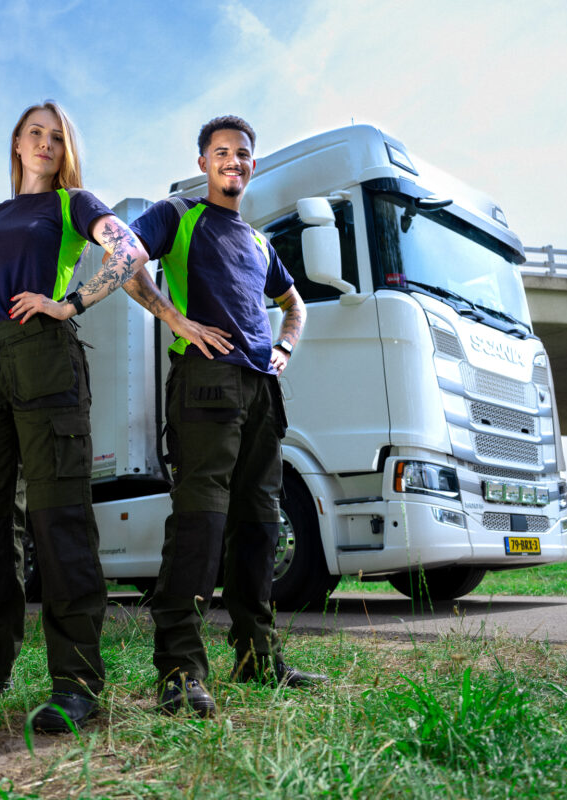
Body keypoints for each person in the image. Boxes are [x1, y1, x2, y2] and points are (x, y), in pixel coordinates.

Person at [0, 101, 228, 732]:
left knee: (59, 524)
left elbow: (129, 251)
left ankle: (78, 684)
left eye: (57, 137)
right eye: (36, 133)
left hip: (45, 364)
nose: (46, 143)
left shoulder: (72, 203)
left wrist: (69, 302)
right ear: (16, 142)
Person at [130, 115, 326, 717]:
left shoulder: (261, 242)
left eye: (241, 153)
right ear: (203, 163)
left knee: (261, 525)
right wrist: (175, 320)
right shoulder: (177, 216)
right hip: (204, 384)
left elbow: (296, 305)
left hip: (261, 390)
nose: (232, 161)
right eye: (220, 153)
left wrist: (284, 347)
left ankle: (256, 656)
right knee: (201, 525)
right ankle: (181, 669)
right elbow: (124, 259)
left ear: (252, 164)